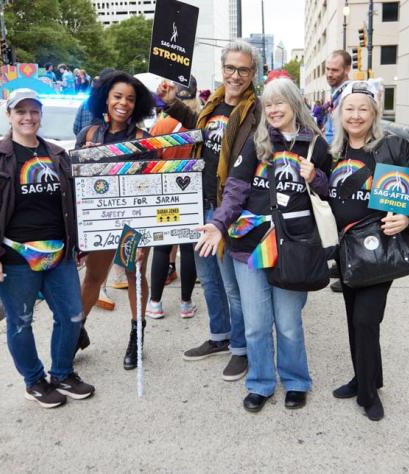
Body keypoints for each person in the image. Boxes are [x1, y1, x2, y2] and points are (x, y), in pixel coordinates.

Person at [195, 77, 331, 412]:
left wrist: (316, 177)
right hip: (250, 245)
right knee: (256, 324)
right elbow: (236, 190)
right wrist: (217, 223)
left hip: (293, 245)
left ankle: (296, 381)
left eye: (279, 103)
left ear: (294, 104)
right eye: (267, 105)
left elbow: (331, 193)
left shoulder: (315, 145)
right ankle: (260, 382)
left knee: (287, 323)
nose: (272, 110)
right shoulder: (256, 144)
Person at [0, 89, 95, 408]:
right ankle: (34, 381)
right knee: (21, 321)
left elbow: (73, 201)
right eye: (20, 111)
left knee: (72, 316)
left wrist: (78, 242)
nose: (28, 117)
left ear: (40, 115)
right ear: (9, 116)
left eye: (34, 111)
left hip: (59, 253)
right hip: (15, 257)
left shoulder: (56, 154)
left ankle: (62, 373)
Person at [156, 40, 262, 381]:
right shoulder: (212, 105)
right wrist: (171, 102)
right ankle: (219, 336)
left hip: (232, 209)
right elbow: (198, 128)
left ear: (252, 73)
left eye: (243, 69)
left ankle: (241, 348)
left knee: (234, 285)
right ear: (222, 69)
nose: (235, 75)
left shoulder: (256, 112)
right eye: (230, 68)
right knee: (210, 280)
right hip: (199, 203)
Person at [328, 81, 409, 421]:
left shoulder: (393, 148)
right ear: (340, 113)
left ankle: (368, 394)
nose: (355, 115)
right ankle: (365, 376)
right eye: (349, 108)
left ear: (373, 113)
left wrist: (407, 216)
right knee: (352, 318)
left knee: (366, 319)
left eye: (363, 109)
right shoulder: (333, 153)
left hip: (381, 249)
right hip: (348, 251)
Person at [75, 71, 156, 370]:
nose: (124, 103)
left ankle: (138, 336)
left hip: (131, 222)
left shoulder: (143, 140)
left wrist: (146, 235)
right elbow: (76, 182)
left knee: (134, 275)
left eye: (131, 99)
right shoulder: (89, 136)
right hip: (99, 221)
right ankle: (76, 331)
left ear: (138, 105)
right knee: (93, 278)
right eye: (118, 96)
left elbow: (151, 189)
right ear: (105, 99)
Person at [146, 76, 200, 320]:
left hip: (164, 191)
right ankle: (186, 304)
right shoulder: (200, 124)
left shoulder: (160, 125)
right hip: (191, 193)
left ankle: (155, 303)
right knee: (188, 249)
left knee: (161, 247)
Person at [324, 50, 352, 293]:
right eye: (328, 69)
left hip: (343, 160)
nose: (329, 74)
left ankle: (346, 270)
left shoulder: (349, 95)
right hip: (334, 155)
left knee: (342, 214)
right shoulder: (336, 93)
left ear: (346, 70)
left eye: (335, 70)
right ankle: (339, 262)